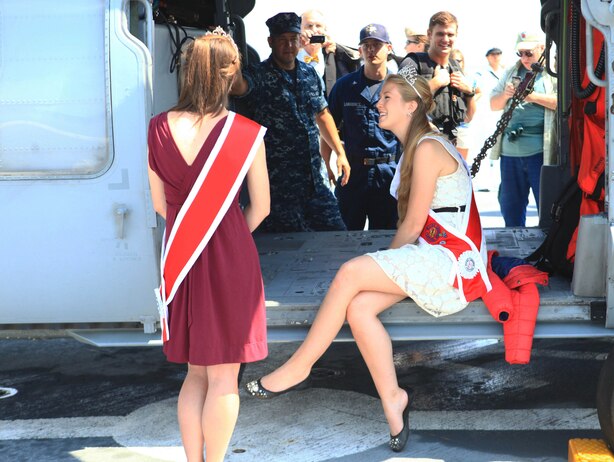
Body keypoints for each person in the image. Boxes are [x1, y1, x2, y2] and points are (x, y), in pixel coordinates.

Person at [245, 72, 490, 453]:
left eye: (388, 98)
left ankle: (299, 367)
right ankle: (394, 400)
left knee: (350, 273)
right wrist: (388, 266)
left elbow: (411, 224)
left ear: (411, 106)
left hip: (453, 263)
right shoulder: (416, 145)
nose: (378, 105)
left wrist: (384, 265)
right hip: (432, 255)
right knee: (358, 308)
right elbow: (413, 228)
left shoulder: (426, 147)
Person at [147, 28, 270, 462]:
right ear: (230, 73)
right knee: (225, 378)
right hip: (230, 259)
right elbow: (262, 209)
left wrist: (194, 234)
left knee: (195, 374)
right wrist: (227, 237)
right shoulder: (245, 132)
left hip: (180, 260)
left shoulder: (158, 128)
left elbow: (161, 206)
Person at [230, 12, 351, 232]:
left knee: (337, 236)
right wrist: (229, 58)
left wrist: (340, 153)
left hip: (315, 182)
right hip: (280, 189)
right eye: (282, 40)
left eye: (293, 39)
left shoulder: (309, 73)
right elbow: (239, 86)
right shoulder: (258, 74)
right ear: (270, 42)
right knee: (286, 252)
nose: (289, 45)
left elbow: (322, 115)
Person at [324, 23, 399, 230]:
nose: (371, 50)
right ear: (360, 50)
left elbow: (415, 131)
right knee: (346, 237)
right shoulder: (345, 86)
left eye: (377, 44)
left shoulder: (401, 87)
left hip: (388, 174)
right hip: (353, 173)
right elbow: (326, 126)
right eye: (366, 45)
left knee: (386, 240)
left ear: (389, 48)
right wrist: (327, 165)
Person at [490, 31, 557, 227]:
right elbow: (493, 104)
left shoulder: (553, 72)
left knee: (545, 206)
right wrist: (505, 95)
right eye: (520, 54)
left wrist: (532, 97)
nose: (524, 58)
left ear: (542, 49)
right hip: (510, 153)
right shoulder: (511, 72)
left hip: (539, 152)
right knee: (510, 206)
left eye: (529, 53)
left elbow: (563, 103)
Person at [399, 11, 479, 143]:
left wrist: (469, 92)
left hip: (449, 148)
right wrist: (435, 83)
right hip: (418, 146)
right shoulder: (412, 63)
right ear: (429, 34)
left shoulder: (456, 68)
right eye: (440, 34)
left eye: (450, 34)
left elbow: (468, 117)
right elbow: (400, 103)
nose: (446, 39)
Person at [297, 9, 360, 98]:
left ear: (325, 30)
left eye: (318, 26)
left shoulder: (334, 56)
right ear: (299, 29)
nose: (314, 30)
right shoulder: (290, 56)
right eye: (309, 26)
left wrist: (337, 48)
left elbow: (357, 57)